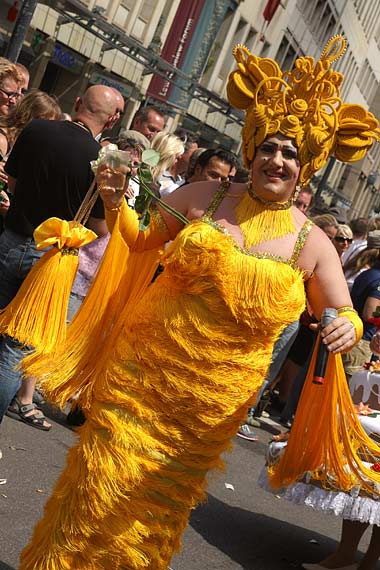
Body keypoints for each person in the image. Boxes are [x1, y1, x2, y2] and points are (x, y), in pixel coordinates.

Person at [19, 37, 377, 570]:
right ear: (251, 149)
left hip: (208, 411)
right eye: (269, 148)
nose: (276, 160)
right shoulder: (203, 197)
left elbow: (343, 309)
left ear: (306, 167)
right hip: (141, 377)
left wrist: (345, 325)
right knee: (98, 480)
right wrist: (117, 200)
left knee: (156, 510)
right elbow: (141, 239)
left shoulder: (313, 243)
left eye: (291, 153)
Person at [0, 85, 120, 431]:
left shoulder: (37, 129)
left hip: (11, 240)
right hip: (51, 263)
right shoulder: (103, 162)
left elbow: (13, 179)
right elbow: (99, 226)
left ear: (78, 103)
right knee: (15, 350)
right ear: (111, 120)